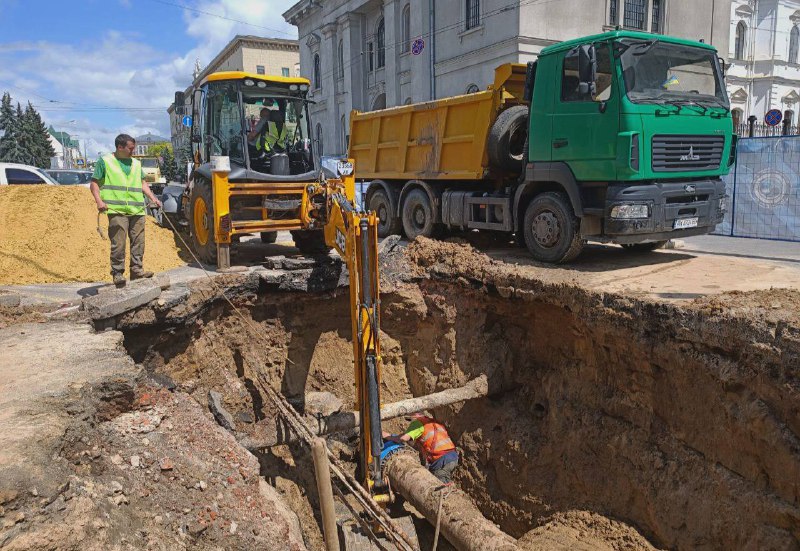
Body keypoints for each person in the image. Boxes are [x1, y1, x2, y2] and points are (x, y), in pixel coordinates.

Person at [89, 134, 162, 288]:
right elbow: (94, 184)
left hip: (137, 210)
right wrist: (99, 202)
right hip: (117, 210)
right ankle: (117, 273)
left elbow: (142, 183)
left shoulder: (135, 163)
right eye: (130, 148)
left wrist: (153, 198)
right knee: (119, 243)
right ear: (120, 147)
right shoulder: (106, 161)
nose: (133, 151)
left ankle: (136, 271)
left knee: (138, 242)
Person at [383, 411, 459, 484]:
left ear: (414, 416)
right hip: (453, 456)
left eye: (409, 419)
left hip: (442, 460)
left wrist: (388, 436)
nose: (410, 423)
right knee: (445, 482)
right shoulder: (433, 422)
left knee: (441, 488)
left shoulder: (417, 423)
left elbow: (403, 438)